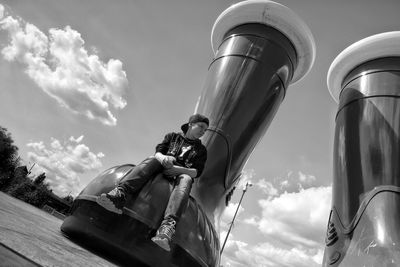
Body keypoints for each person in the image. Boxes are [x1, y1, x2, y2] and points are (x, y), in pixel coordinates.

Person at [96, 114, 209, 251]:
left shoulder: (201, 150)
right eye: (201, 127)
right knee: (152, 159)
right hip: (162, 165)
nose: (203, 131)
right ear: (191, 124)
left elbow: (196, 172)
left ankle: (167, 227)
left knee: (186, 179)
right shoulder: (172, 136)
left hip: (180, 175)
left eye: (205, 130)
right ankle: (120, 194)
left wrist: (177, 170)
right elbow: (158, 152)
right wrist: (163, 158)